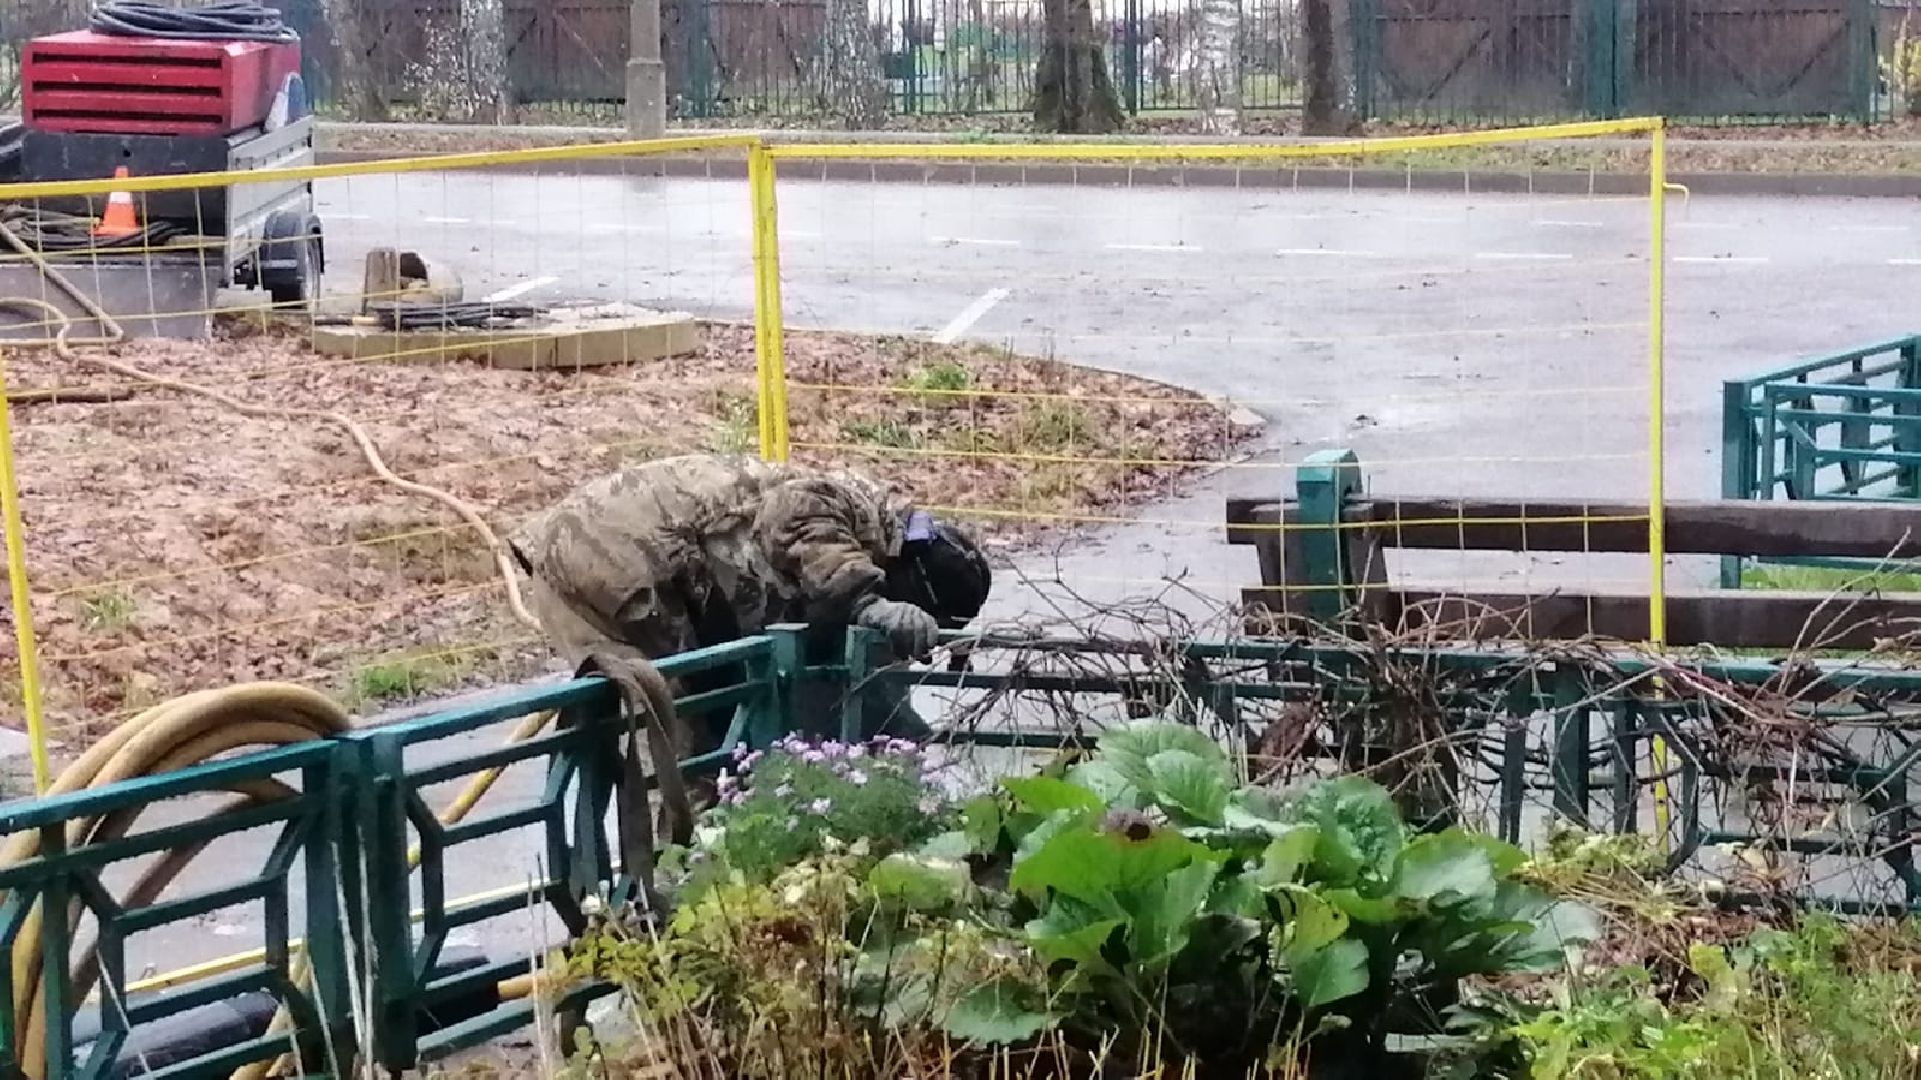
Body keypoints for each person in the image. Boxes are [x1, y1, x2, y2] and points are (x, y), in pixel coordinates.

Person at [507, 452, 993, 754]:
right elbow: (794, 515)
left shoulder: (874, 538)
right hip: (613, 556)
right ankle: (675, 878)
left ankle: (685, 869)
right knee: (677, 738)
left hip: (640, 573)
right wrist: (867, 601)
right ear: (908, 577)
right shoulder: (849, 508)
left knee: (699, 734)